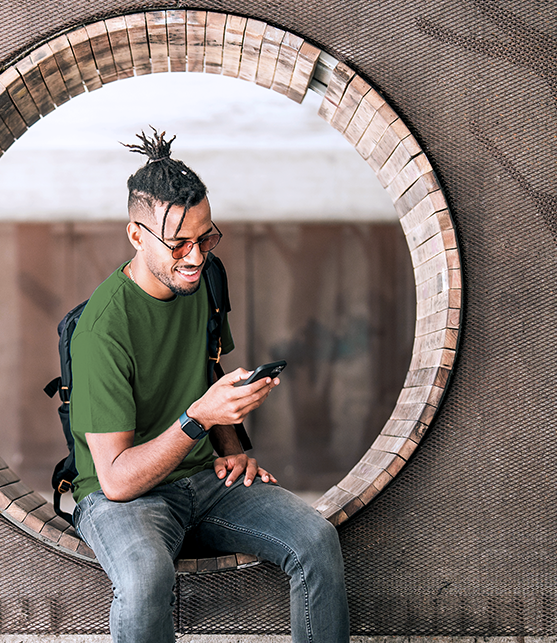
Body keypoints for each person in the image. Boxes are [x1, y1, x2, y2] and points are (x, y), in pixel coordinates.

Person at [69, 127, 349, 643]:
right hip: (124, 499)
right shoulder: (102, 330)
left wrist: (232, 442)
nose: (196, 256)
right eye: (178, 244)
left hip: (204, 479)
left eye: (206, 237)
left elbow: (204, 370)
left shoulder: (203, 279)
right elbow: (116, 480)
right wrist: (201, 417)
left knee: (315, 539)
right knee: (144, 577)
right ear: (136, 235)